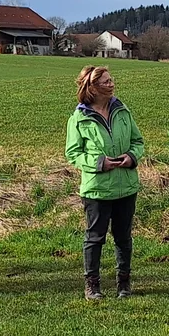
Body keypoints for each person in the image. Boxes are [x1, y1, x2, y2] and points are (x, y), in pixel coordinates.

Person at [65, 64, 145, 300]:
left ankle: (124, 283)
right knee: (95, 238)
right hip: (97, 190)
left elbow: (138, 141)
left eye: (111, 80)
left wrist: (131, 157)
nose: (112, 84)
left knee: (123, 238)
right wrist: (99, 163)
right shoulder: (79, 118)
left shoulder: (123, 111)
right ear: (92, 87)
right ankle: (92, 285)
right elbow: (73, 153)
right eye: (106, 82)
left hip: (126, 186)